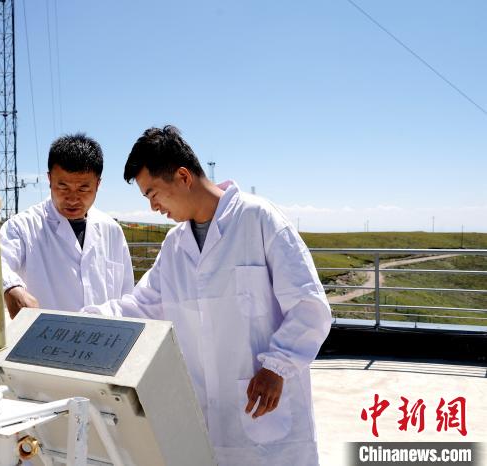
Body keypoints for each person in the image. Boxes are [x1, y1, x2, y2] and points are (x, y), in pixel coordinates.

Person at [84, 126, 331, 465]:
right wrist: (81, 321)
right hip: (206, 419)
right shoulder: (175, 246)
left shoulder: (258, 219)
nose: (153, 207)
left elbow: (309, 306)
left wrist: (277, 367)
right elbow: (140, 306)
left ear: (183, 176)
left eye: (153, 193)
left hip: (265, 415)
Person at [0, 133, 134, 318]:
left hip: (103, 333)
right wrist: (11, 288)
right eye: (63, 187)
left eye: (83, 188)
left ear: (98, 184)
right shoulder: (22, 227)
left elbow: (126, 293)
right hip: (46, 334)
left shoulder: (112, 230)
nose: (72, 199)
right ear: (49, 180)